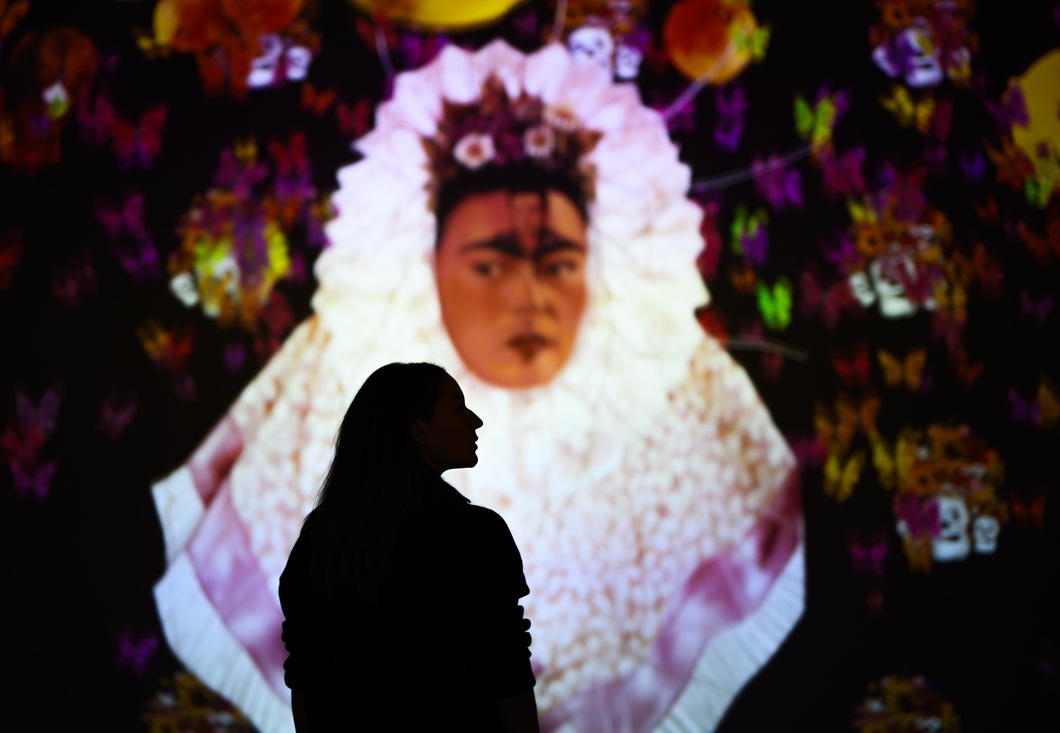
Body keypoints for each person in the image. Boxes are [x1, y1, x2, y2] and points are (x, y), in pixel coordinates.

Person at [151, 41, 802, 733]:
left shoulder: (336, 538)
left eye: (559, 263)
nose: (529, 297)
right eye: (490, 265)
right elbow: (477, 681)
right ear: (428, 266)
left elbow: (319, 684)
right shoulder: (445, 534)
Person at [277, 362, 539, 731]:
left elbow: (306, 677)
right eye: (458, 408)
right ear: (419, 429)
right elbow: (505, 671)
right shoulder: (476, 534)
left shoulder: (321, 539)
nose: (475, 421)